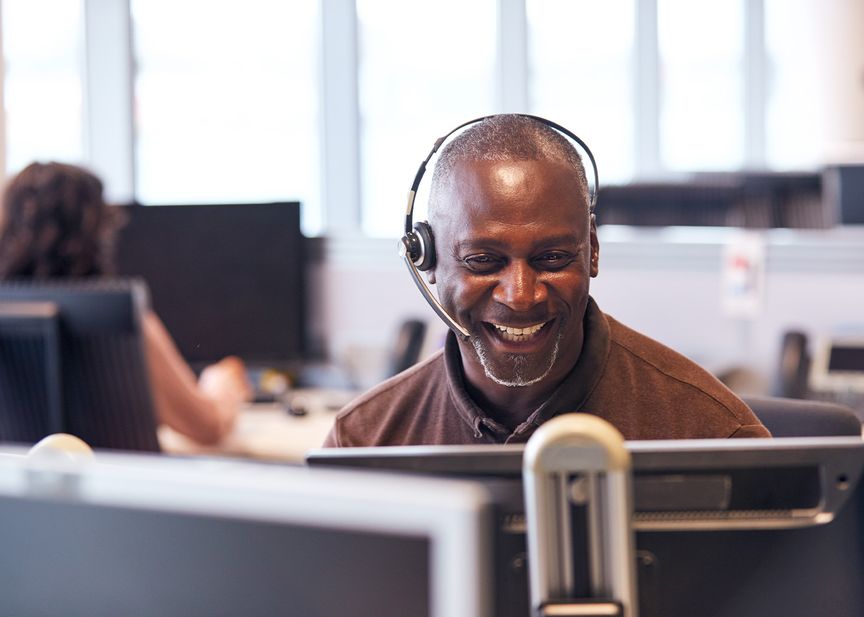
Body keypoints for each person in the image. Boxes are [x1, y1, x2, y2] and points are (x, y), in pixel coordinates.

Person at [324, 115, 770, 447]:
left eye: (552, 258)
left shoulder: (712, 433)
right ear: (428, 259)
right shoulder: (366, 440)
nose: (521, 295)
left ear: (592, 251)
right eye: (483, 261)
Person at [0, 161, 252, 445]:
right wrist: (223, 382)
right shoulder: (119, 318)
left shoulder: (6, 314)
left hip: (19, 489)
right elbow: (208, 427)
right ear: (96, 232)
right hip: (121, 489)